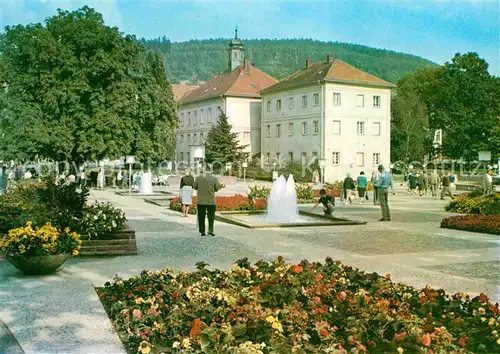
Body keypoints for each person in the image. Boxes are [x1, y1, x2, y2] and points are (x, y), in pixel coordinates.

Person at [193, 168, 220, 236]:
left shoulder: (198, 178)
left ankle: (202, 231)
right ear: (211, 171)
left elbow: (195, 187)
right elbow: (216, 189)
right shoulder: (214, 178)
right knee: (211, 217)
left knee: (201, 217)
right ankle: (210, 230)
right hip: (211, 201)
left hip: (201, 201)